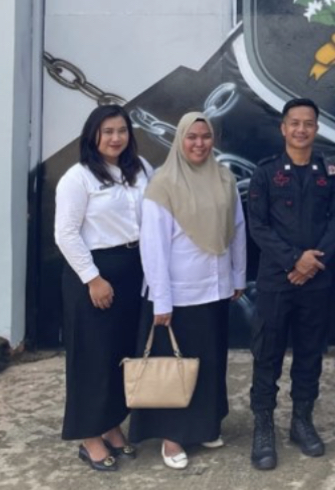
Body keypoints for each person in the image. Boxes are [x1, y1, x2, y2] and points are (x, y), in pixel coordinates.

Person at [128, 112, 247, 470]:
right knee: (174, 369)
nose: (199, 144)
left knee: (208, 364)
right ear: (179, 140)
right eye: (191, 137)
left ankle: (204, 427)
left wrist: (238, 276)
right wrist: (162, 300)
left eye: (205, 137)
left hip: (215, 290)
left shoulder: (224, 178)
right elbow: (153, 248)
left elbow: (237, 230)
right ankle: (172, 437)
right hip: (177, 296)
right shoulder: (162, 185)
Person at [247, 97, 335, 470]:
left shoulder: (330, 172)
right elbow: (258, 226)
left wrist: (311, 263)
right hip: (277, 280)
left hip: (315, 280)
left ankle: (301, 422)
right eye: (295, 123)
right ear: (283, 128)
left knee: (309, 355)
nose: (301, 129)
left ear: (316, 128)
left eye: (308, 123)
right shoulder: (266, 173)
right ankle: (263, 428)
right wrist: (294, 260)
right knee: (267, 356)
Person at [54, 104, 152, 471]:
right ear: (93, 135)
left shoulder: (140, 170)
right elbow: (65, 233)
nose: (116, 138)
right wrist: (93, 278)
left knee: (118, 354)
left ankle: (111, 424)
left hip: (133, 270)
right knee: (91, 357)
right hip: (94, 274)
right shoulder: (77, 178)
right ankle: (88, 436)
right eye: (108, 131)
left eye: (121, 130)